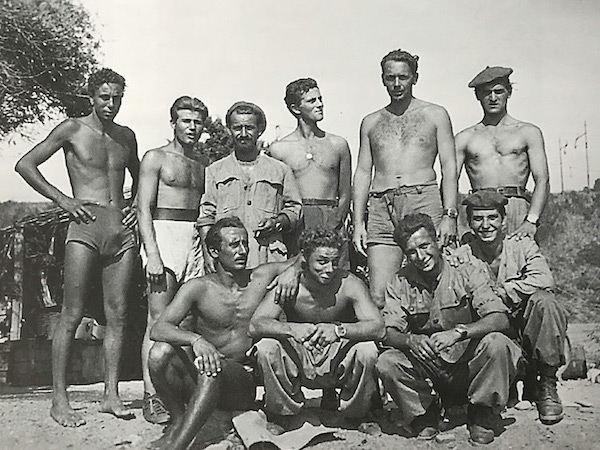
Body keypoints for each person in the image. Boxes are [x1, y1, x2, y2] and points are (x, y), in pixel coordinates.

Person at [14, 68, 139, 427]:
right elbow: (25, 164)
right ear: (91, 96)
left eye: (117, 97)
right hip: (84, 226)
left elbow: (141, 176)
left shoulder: (126, 136)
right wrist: (63, 200)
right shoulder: (72, 129)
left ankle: (111, 396)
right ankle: (59, 400)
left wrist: (134, 208)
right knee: (71, 314)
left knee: (118, 316)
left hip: (120, 230)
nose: (111, 104)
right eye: (104, 97)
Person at [148, 217, 295, 450]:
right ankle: (178, 421)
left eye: (245, 244)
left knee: (210, 366)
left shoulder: (260, 277)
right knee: (159, 353)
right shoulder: (198, 287)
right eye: (234, 245)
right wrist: (196, 340)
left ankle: (177, 446)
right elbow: (159, 328)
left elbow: (307, 256)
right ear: (214, 251)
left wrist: (291, 271)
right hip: (204, 374)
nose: (243, 251)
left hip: (241, 382)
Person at [376, 214, 521, 445]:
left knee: (497, 343)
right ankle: (425, 413)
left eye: (425, 246)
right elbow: (389, 332)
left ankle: (482, 412)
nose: (421, 257)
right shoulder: (399, 282)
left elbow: (499, 319)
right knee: (387, 361)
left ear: (437, 242)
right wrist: (410, 340)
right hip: (432, 368)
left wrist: (459, 332)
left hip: (469, 364)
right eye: (412, 252)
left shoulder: (468, 271)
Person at [352, 49, 458, 309]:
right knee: (380, 294)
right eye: (391, 78)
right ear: (383, 79)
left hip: (423, 199)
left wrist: (449, 215)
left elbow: (450, 167)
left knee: (437, 283)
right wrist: (358, 224)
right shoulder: (371, 122)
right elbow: (363, 172)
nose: (397, 84)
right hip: (381, 206)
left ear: (415, 78)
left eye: (403, 77)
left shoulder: (435, 114)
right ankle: (394, 348)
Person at [451, 191, 567, 425]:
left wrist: (502, 292)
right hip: (492, 336)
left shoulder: (521, 246)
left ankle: (546, 383)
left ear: (504, 220)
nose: (485, 225)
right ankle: (495, 388)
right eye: (478, 219)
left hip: (525, 330)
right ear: (469, 223)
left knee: (545, 301)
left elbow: (545, 280)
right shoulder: (462, 254)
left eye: (492, 218)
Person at [250, 227, 384, 426]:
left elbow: (378, 328)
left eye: (334, 261)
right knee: (266, 347)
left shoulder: (349, 283)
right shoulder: (289, 285)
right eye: (321, 261)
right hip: (300, 352)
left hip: (335, 353)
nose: (329, 269)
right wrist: (291, 329)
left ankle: (357, 414)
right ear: (304, 258)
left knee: (367, 350)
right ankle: (283, 414)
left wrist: (339, 330)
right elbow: (255, 325)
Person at [137, 96, 208, 424]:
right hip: (164, 237)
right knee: (158, 319)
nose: (192, 127)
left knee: (188, 319)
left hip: (193, 237)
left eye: (197, 122)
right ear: (173, 123)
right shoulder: (155, 157)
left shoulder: (202, 163)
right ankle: (152, 395)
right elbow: (142, 207)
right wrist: (152, 253)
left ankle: (179, 389)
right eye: (185, 121)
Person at [197, 101, 303, 271]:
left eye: (250, 128)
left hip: (268, 259)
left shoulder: (280, 170)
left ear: (259, 130)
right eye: (238, 128)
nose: (243, 134)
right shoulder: (214, 171)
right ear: (229, 129)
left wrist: (277, 222)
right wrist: (208, 254)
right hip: (228, 262)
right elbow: (206, 217)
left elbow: (295, 209)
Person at [455, 66, 550, 238]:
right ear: (478, 96)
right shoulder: (465, 138)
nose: (493, 98)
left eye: (499, 91)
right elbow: (449, 181)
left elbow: (542, 179)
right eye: (486, 93)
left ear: (509, 92)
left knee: (521, 260)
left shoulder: (528, 132)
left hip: (517, 208)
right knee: (475, 264)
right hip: (479, 208)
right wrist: (457, 223)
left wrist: (531, 221)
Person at [268, 78, 351, 261]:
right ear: (296, 108)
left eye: (320, 99)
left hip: (330, 218)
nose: (320, 104)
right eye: (312, 101)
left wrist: (335, 223)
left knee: (334, 277)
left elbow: (345, 193)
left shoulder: (338, 145)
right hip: (297, 221)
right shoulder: (279, 149)